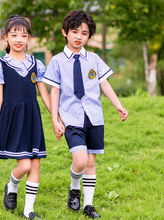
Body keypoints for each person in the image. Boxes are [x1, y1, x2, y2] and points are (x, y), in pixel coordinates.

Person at [43, 10, 128, 219]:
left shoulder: (94, 59)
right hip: (71, 117)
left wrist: (117, 104)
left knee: (90, 162)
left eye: (84, 33)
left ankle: (88, 205)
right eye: (74, 31)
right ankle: (74, 187)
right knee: (80, 161)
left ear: (89, 36)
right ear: (65, 32)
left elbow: (103, 83)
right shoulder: (56, 61)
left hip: (94, 117)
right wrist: (55, 119)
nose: (79, 36)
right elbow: (55, 91)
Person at [0, 15, 64, 220]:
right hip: (12, 118)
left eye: (24, 35)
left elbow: (44, 94)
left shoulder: (36, 64)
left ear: (29, 38)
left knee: (35, 162)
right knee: (24, 165)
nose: (19, 39)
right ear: (6, 37)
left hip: (32, 118)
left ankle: (28, 210)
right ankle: (12, 185)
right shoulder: (0, 65)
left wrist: (55, 118)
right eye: (14, 35)